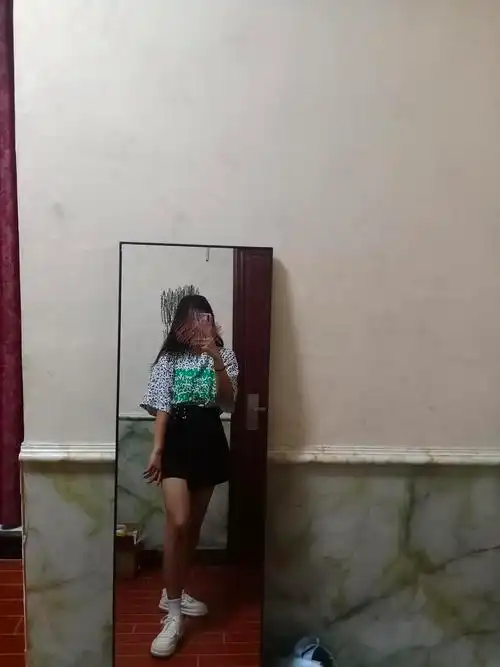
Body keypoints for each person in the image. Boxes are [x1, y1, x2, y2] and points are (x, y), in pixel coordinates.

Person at [140, 294, 238, 658]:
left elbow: (228, 403)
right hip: (178, 439)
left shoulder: (225, 356)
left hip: (209, 438)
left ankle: (174, 593)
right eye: (193, 318)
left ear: (212, 321)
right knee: (177, 522)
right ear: (181, 323)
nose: (200, 324)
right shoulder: (170, 358)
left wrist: (216, 360)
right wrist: (158, 448)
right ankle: (174, 616)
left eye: (205, 317)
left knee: (192, 527)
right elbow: (162, 406)